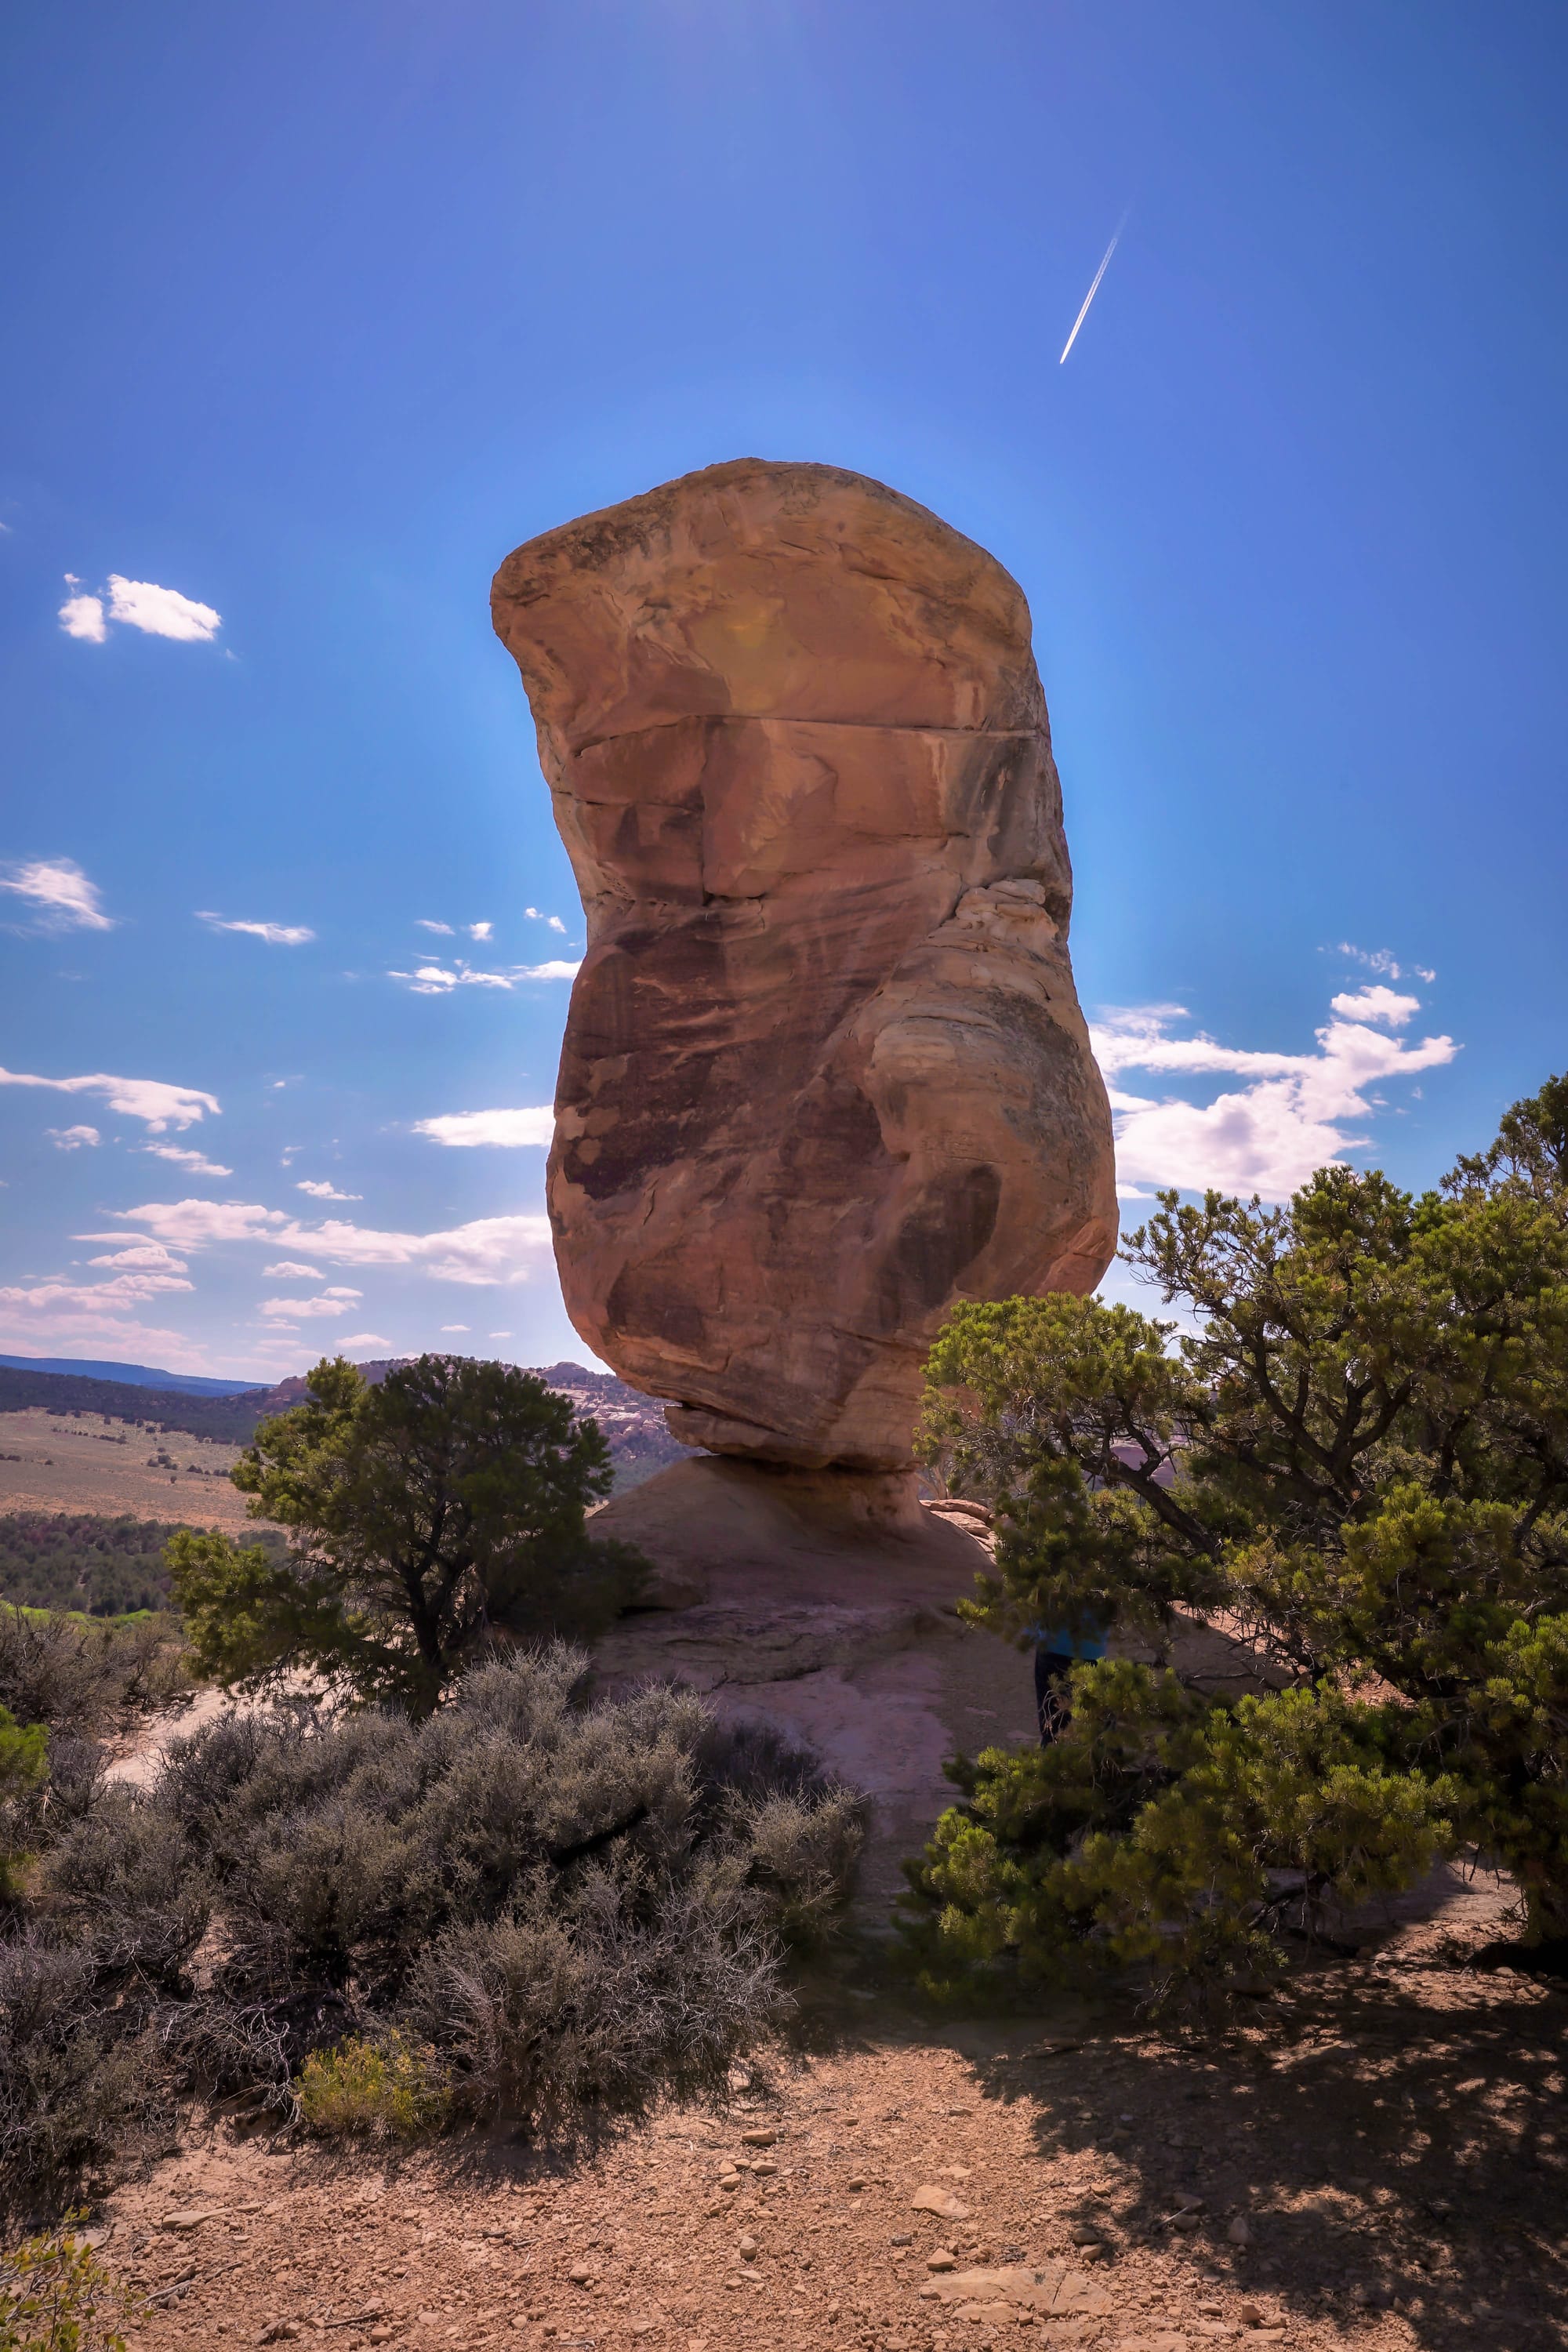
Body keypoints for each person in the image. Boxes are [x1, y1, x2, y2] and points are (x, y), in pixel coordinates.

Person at [1028, 1615, 1109, 1744]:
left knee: (1054, 1731)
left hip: (1052, 1645)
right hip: (1091, 1649)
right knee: (1101, 1730)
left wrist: (1033, 1630)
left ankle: (1052, 1758)